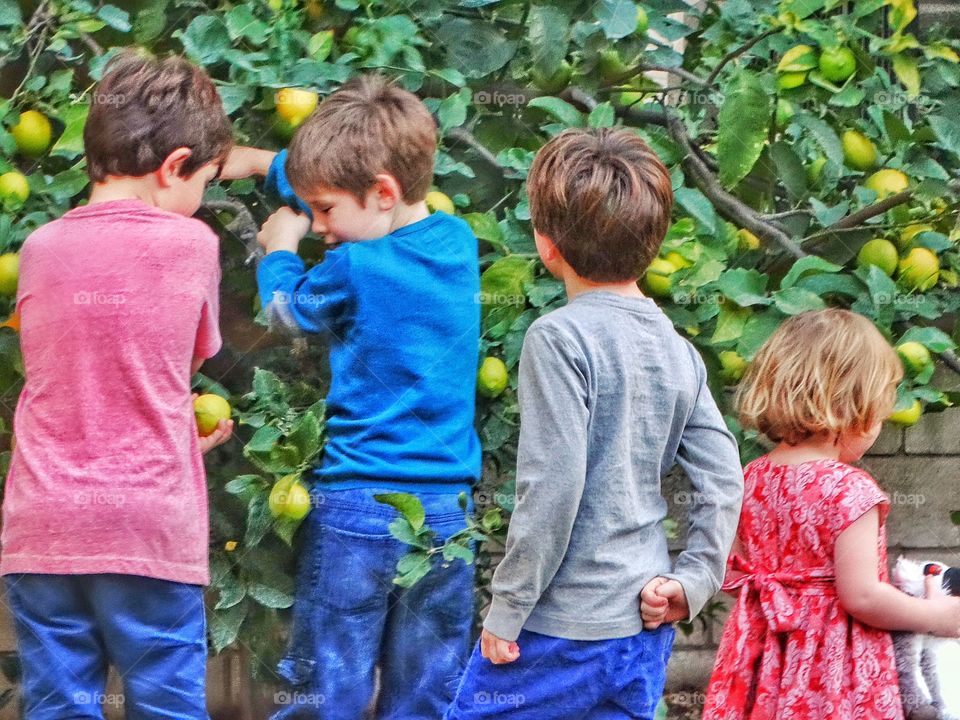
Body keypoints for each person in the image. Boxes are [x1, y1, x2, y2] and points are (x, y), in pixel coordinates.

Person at [443, 127, 744, 720]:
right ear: (654, 244)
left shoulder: (557, 338)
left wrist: (507, 608)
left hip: (560, 633)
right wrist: (694, 580)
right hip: (643, 624)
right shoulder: (677, 348)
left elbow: (552, 487)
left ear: (546, 246)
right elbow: (724, 477)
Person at [230, 74, 482, 719]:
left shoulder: (354, 268)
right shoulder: (457, 243)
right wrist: (274, 167)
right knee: (427, 690)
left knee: (328, 687)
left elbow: (289, 312)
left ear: (383, 192)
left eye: (325, 210)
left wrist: (278, 252)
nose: (319, 226)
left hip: (358, 508)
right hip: (446, 514)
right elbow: (353, 188)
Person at [2, 51, 234, 719]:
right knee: (166, 707)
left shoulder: (40, 248)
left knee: (58, 706)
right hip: (147, 529)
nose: (201, 199)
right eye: (206, 180)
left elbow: (79, 378)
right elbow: (172, 372)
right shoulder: (192, 245)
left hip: (45, 530)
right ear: (173, 166)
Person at [701, 309, 960, 720]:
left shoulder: (750, 478)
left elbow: (734, 574)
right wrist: (937, 616)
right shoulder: (851, 491)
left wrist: (785, 595)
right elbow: (862, 597)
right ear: (850, 407)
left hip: (762, 656)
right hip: (832, 669)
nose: (882, 422)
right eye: (879, 412)